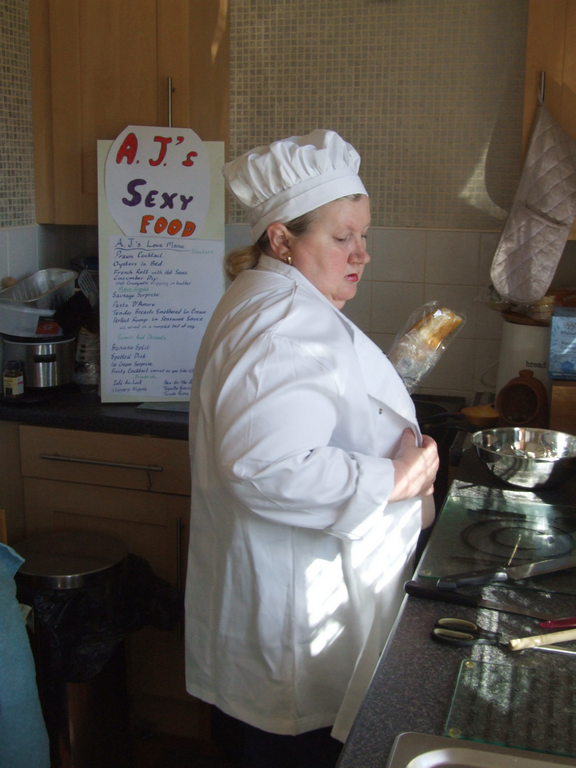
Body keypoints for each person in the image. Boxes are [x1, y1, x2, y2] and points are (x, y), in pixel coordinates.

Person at [184, 129, 439, 768]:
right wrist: (395, 479)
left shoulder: (271, 299)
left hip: (280, 602)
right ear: (281, 240)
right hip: (292, 622)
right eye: (342, 237)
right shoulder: (283, 323)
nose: (362, 254)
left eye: (364, 235)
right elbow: (266, 467)